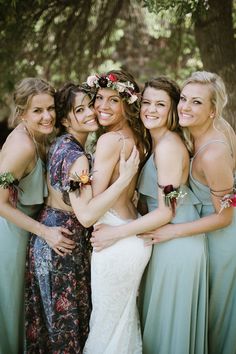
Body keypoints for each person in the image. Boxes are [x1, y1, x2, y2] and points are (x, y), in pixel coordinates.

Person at [91, 76, 208, 354]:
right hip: (162, 241)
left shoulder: (167, 146)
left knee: (169, 331)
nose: (150, 110)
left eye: (160, 105)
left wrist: (115, 233)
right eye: (146, 103)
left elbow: (167, 211)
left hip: (177, 245)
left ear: (172, 111)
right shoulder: (156, 141)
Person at [25, 82, 140, 353]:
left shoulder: (61, 145)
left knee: (51, 330)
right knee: (66, 333)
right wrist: (123, 180)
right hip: (61, 246)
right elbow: (87, 216)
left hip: (52, 240)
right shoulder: (76, 157)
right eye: (81, 109)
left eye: (91, 104)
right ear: (65, 119)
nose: (92, 112)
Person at [143, 71, 236, 354]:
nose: (184, 107)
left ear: (212, 110)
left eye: (196, 102)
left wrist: (173, 230)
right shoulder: (191, 132)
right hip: (201, 227)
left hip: (221, 236)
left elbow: (226, 215)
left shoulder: (213, 151)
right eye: (183, 99)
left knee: (219, 317)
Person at [0, 78, 74, 354]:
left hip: (24, 233)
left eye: (51, 108)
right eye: (38, 111)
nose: (47, 116)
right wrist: (46, 232)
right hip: (10, 237)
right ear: (22, 113)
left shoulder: (37, 136)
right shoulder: (23, 147)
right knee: (10, 312)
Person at [81, 70, 151, 354]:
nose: (102, 107)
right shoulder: (136, 136)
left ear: (127, 105)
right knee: (120, 326)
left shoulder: (110, 141)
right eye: (99, 98)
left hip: (114, 241)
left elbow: (91, 208)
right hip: (129, 234)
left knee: (106, 328)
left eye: (113, 101)